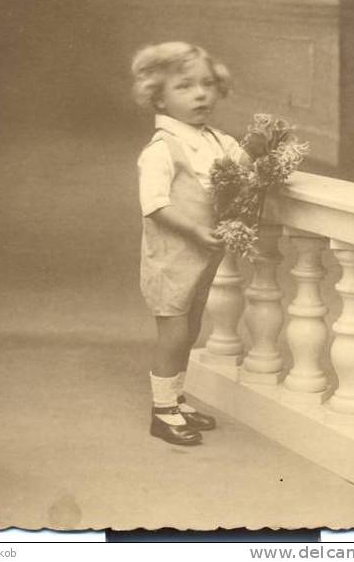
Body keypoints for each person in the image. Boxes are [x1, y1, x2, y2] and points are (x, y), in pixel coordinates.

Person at [132, 42, 247, 446]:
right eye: (185, 86)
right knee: (174, 333)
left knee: (191, 327)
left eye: (208, 84)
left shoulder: (215, 140)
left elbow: (242, 166)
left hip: (201, 258)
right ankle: (162, 412)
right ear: (158, 97)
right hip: (172, 258)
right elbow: (155, 205)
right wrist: (197, 231)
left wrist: (266, 149)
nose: (201, 94)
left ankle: (176, 399)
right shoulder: (162, 150)